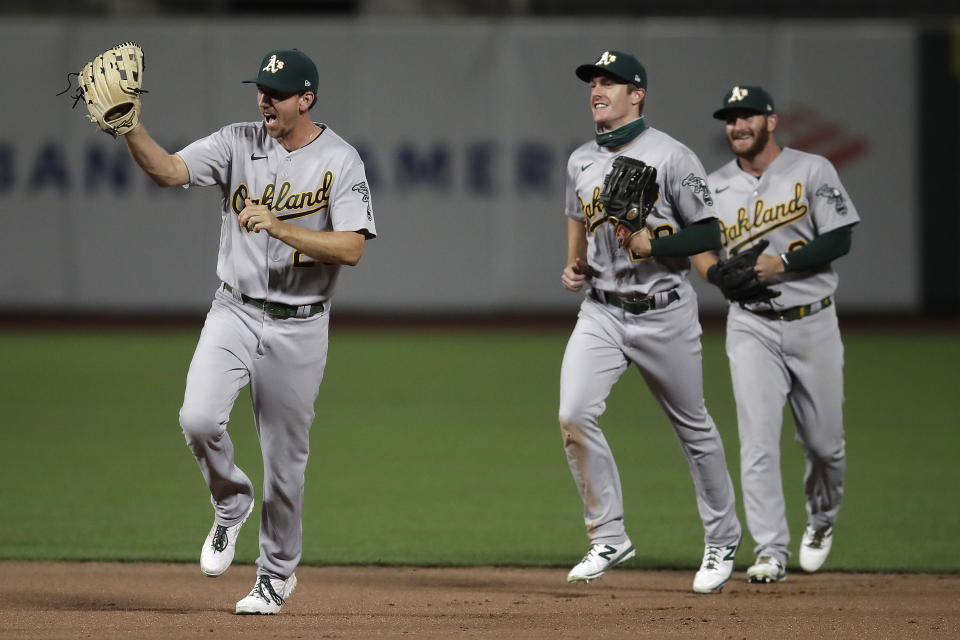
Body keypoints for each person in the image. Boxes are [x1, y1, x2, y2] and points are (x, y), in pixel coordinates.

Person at [121, 48, 376, 613]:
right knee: (197, 417)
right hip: (233, 310)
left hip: (300, 326)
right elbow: (168, 171)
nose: (265, 99)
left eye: (277, 93)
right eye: (260, 89)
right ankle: (231, 502)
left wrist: (282, 227)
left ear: (306, 100)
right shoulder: (236, 141)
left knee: (285, 463)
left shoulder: (340, 160)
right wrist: (130, 127)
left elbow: (352, 247)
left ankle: (276, 575)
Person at [558, 50, 742, 594]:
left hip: (663, 310)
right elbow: (575, 213)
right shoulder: (580, 160)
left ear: (637, 94)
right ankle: (609, 534)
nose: (598, 88)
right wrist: (575, 261)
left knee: (694, 428)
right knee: (573, 413)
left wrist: (654, 241)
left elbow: (709, 234)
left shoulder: (673, 156)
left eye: (610, 81)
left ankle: (722, 538)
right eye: (593, 81)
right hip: (602, 310)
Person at [692, 85, 858, 583]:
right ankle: (770, 550)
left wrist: (782, 261)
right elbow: (700, 246)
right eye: (731, 119)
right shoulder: (714, 184)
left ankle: (822, 521)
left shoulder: (811, 169)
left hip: (813, 321)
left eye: (747, 117)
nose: (737, 126)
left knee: (825, 446)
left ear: (771, 121)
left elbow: (840, 236)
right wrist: (713, 274)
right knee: (758, 442)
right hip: (751, 326)